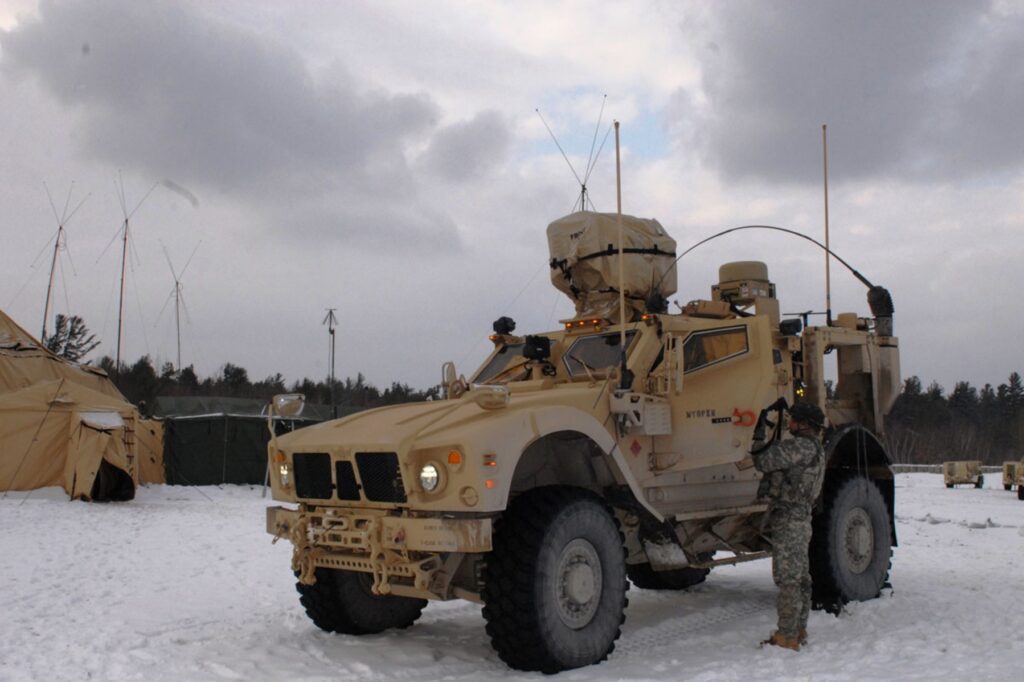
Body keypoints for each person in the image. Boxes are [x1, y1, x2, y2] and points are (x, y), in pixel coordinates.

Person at [752, 401, 826, 651]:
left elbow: (763, 461)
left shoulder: (800, 448)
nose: (790, 423)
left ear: (804, 424)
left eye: (794, 420)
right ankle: (798, 628)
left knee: (788, 580)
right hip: (802, 518)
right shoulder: (815, 448)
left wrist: (759, 432)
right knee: (801, 578)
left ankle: (787, 636)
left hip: (790, 519)